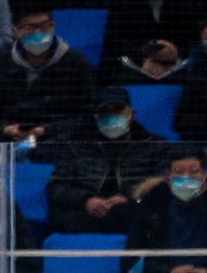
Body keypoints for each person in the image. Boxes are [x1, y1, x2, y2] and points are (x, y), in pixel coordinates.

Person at [44, 85, 170, 234]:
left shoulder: (155, 145)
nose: (112, 117)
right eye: (105, 112)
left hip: (132, 210)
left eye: (118, 110)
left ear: (132, 114)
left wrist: (129, 198)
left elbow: (162, 181)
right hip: (87, 212)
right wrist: (86, 201)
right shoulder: (77, 146)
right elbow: (56, 187)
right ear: (95, 117)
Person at [0, 5, 96, 142]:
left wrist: (45, 130)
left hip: (58, 138)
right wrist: (6, 128)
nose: (38, 32)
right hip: (11, 137)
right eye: (30, 28)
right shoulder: (2, 65)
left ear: (53, 26)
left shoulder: (76, 63)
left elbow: (86, 115)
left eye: (45, 26)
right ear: (15, 31)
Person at [124, 147, 207, 273]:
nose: (186, 177)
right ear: (168, 179)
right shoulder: (149, 208)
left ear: (206, 179)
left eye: (194, 172)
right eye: (178, 172)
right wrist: (168, 272)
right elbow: (130, 261)